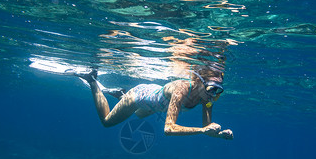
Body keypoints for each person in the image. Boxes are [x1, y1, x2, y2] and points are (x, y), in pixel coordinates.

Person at [78, 67, 233, 139]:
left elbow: (208, 128)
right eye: (212, 89)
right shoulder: (182, 89)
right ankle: (92, 79)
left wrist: (220, 135)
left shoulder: (207, 97)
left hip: (152, 106)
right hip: (138, 96)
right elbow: (169, 129)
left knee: (139, 114)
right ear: (199, 81)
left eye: (218, 90)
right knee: (106, 122)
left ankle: (120, 95)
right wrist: (201, 131)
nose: (213, 94)